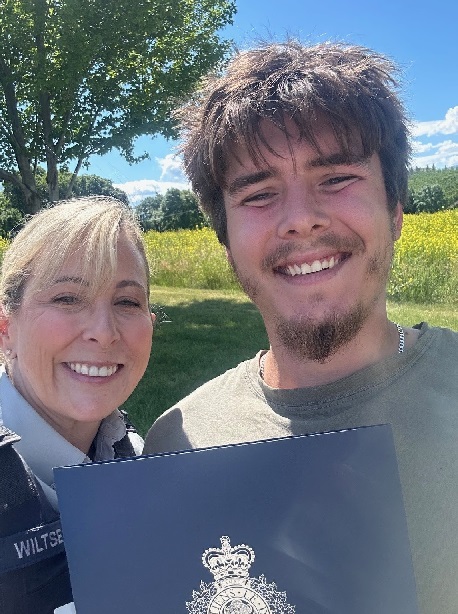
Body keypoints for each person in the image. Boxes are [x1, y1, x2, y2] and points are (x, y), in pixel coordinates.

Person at [143, 41, 458, 613]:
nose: (300, 218)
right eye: (259, 194)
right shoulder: (176, 446)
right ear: (227, 242)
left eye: (336, 177)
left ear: (395, 210)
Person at [0, 196, 155, 613]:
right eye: (68, 298)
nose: (104, 333)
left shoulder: (149, 463)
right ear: (5, 329)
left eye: (127, 302)